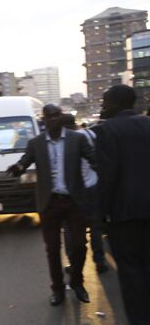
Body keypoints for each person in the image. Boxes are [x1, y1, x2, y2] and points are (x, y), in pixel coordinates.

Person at [6, 104, 96, 306]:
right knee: (52, 248)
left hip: (74, 201)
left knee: (79, 245)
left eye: (57, 115)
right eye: (50, 117)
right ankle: (57, 289)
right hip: (50, 202)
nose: (54, 119)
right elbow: (25, 161)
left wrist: (103, 166)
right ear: (44, 120)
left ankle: (77, 282)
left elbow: (93, 158)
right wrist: (18, 168)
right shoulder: (36, 143)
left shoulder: (77, 139)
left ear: (61, 117)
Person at [95, 85, 150, 325]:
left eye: (105, 101)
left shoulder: (108, 130)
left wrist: (100, 214)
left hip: (125, 214)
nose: (102, 105)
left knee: (131, 273)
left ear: (116, 103)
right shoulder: (147, 124)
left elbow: (108, 177)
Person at [60, 114, 108, 274]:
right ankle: (99, 260)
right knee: (95, 226)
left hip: (74, 190)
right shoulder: (90, 134)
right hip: (93, 186)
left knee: (70, 228)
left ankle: (74, 263)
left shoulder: (64, 141)